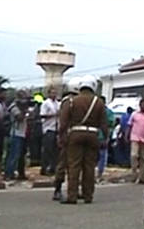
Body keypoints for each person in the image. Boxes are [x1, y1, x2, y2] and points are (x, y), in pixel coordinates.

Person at [58, 76, 107, 205]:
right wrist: (105, 138)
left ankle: (72, 196)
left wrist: (61, 136)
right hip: (93, 135)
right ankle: (88, 195)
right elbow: (104, 123)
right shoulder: (99, 102)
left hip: (75, 134)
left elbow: (63, 122)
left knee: (74, 166)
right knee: (89, 166)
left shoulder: (72, 101)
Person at [52, 80, 80, 201]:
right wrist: (61, 135)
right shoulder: (68, 101)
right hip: (68, 135)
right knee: (64, 164)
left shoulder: (73, 101)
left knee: (72, 164)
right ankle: (58, 189)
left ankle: (71, 189)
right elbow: (63, 121)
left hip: (71, 135)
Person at [4, 90, 30, 180]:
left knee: (21, 155)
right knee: (13, 155)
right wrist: (24, 110)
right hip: (15, 133)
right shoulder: (14, 107)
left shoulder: (22, 107)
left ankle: (20, 173)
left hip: (23, 133)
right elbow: (19, 118)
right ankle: (8, 173)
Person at [130, 99, 144, 184]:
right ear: (139, 105)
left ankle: (141, 177)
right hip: (135, 137)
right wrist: (126, 135)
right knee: (134, 155)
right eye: (143, 105)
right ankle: (134, 174)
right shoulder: (134, 114)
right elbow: (130, 125)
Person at [40, 87, 61, 176]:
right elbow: (42, 115)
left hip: (56, 128)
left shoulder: (58, 103)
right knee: (47, 149)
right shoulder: (46, 103)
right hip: (48, 128)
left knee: (55, 150)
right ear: (49, 94)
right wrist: (53, 115)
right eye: (52, 93)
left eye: (55, 93)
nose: (54, 95)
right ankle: (44, 168)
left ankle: (53, 168)